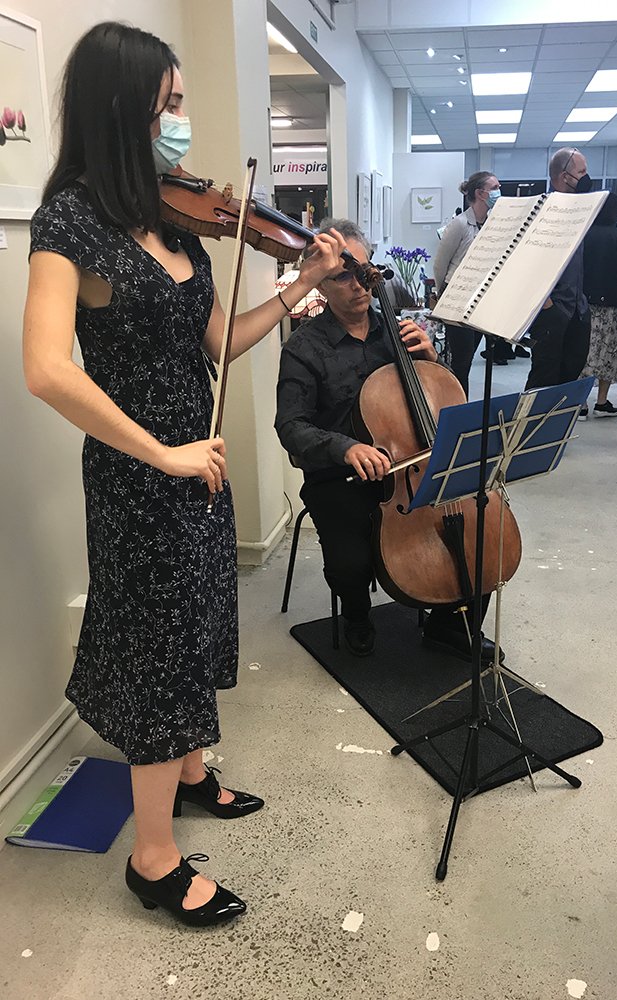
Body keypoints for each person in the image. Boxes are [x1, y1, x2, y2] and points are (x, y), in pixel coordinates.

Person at [23, 22, 344, 926]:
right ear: (122, 109)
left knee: (198, 620)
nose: (181, 120)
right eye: (168, 104)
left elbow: (221, 343)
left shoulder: (172, 220)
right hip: (139, 476)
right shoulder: (70, 222)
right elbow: (46, 367)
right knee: (158, 650)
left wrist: (298, 284)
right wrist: (161, 451)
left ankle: (193, 774)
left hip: (197, 465)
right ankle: (153, 859)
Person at [275, 218, 495, 661]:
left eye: (365, 272)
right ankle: (357, 611)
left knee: (478, 529)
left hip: (411, 465)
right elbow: (291, 426)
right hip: (341, 476)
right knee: (351, 562)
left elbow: (443, 404)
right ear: (322, 284)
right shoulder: (303, 348)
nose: (359, 286)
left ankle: (448, 624)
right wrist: (346, 447)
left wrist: (433, 362)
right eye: (342, 276)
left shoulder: (399, 332)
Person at [524, 148, 592, 404]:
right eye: (582, 172)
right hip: (552, 309)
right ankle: (526, 435)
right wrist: (547, 303)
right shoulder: (543, 211)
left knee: (570, 376)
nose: (586, 178)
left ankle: (554, 435)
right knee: (543, 376)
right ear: (565, 176)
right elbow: (528, 262)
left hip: (578, 308)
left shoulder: (580, 210)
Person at [432, 171, 510, 395]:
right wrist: (442, 293)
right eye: (494, 187)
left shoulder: (490, 224)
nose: (498, 191)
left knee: (469, 357)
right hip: (457, 300)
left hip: (480, 299)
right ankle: (457, 409)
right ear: (480, 193)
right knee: (461, 363)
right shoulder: (460, 224)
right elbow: (440, 264)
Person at [581, 192, 617, 416]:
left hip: (584, 303)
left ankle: (581, 403)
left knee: (585, 352)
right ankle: (602, 402)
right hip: (611, 303)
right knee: (609, 352)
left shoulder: (583, 235)